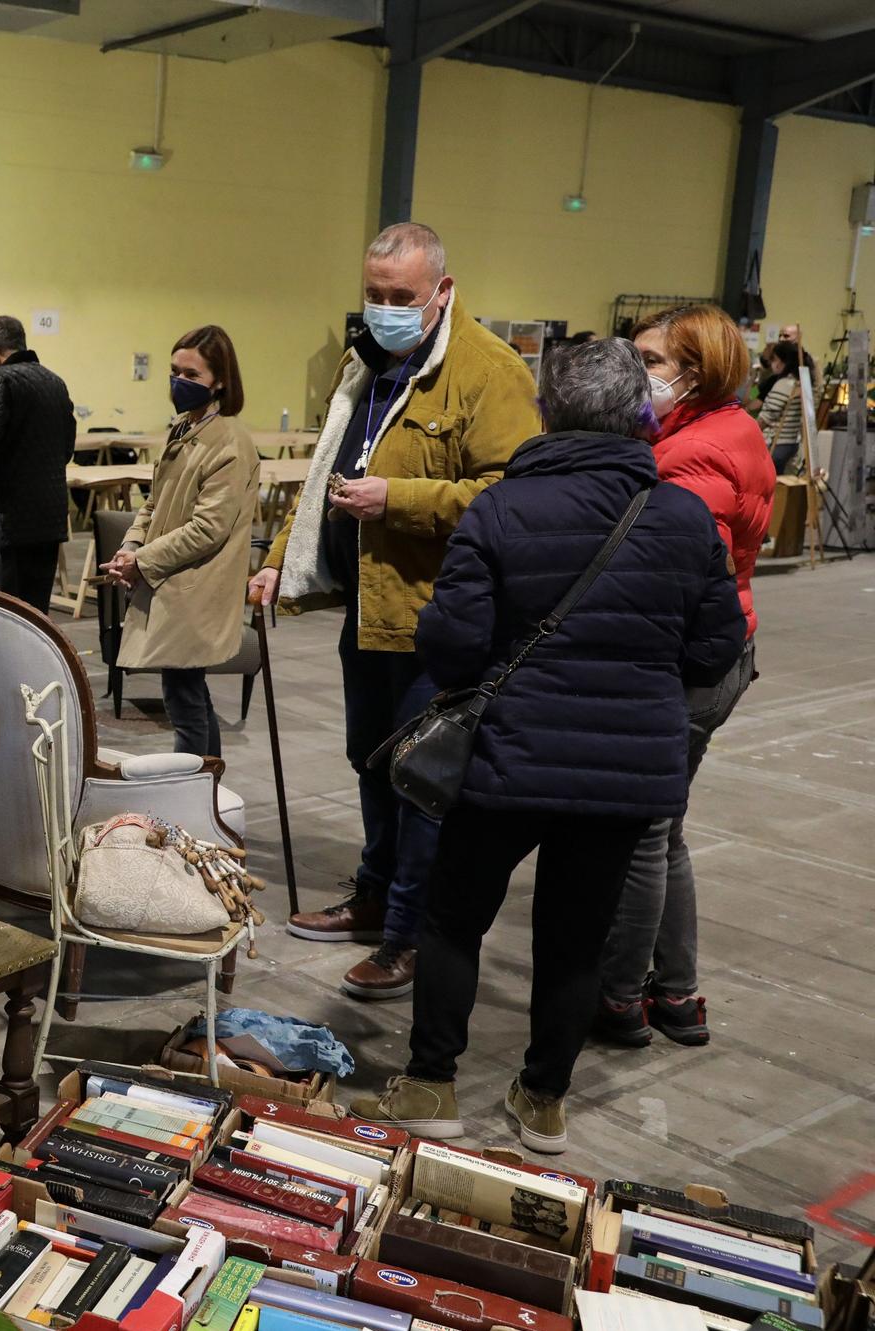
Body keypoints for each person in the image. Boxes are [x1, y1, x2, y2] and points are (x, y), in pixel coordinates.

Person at [350, 338, 745, 1153]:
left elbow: (451, 648)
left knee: (455, 919)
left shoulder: (501, 508)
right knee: (575, 935)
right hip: (624, 771)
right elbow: (713, 652)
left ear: (546, 411)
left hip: (505, 757)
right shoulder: (680, 516)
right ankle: (543, 1101)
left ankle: (430, 1084)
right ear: (641, 413)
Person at [248, 222, 540, 1002]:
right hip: (366, 612)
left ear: (441, 291)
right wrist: (279, 558)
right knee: (371, 763)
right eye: (373, 295)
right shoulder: (366, 363)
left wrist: (398, 500)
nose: (383, 310)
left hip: (438, 620)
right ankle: (375, 893)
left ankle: (410, 933)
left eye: (400, 298)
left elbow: (513, 495)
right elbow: (321, 476)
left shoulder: (489, 372)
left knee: (422, 782)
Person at [592, 304, 774, 1050]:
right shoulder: (728, 429)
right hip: (725, 652)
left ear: (693, 373)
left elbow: (672, 577)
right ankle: (676, 992)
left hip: (687, 665)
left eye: (650, 360)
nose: (637, 372)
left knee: (640, 833)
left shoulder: (691, 456)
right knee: (664, 833)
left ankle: (619, 998)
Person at [100, 325, 258, 758]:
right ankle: (205, 783)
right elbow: (154, 502)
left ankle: (197, 790)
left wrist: (143, 560)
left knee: (185, 700)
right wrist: (131, 546)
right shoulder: (184, 428)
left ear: (219, 379)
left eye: (191, 375)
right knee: (188, 695)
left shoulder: (229, 443)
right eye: (174, 372)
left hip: (196, 587)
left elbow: (209, 529)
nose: (179, 383)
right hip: (170, 578)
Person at [0, 315, 73, 610]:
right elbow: (67, 448)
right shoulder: (55, 381)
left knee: (7, 611)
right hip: (51, 517)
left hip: (10, 520)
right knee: (37, 611)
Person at [753, 340, 805, 473]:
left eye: (774, 359)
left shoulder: (782, 384)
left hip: (776, 443)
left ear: (784, 361)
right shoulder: (799, 383)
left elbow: (766, 416)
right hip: (790, 442)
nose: (772, 363)